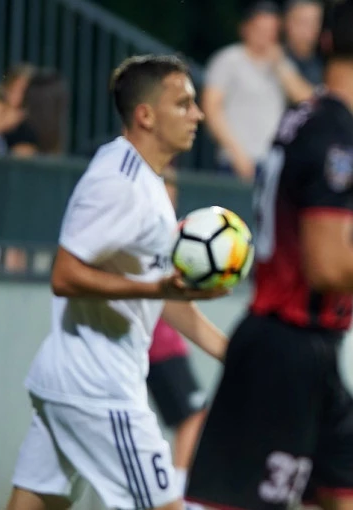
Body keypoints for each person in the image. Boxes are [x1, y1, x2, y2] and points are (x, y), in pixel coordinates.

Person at [185, 1, 353, 509]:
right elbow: (328, 264)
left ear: (326, 42)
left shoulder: (301, 118)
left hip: (312, 356)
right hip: (284, 355)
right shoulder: (335, 136)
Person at [7, 54, 230, 510]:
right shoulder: (120, 182)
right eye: (183, 104)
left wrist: (235, 354)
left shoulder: (143, 178)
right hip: (99, 387)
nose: (198, 114)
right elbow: (65, 275)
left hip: (73, 380)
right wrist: (153, 290)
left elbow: (167, 299)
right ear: (146, 115)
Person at [146, 166, 208, 510]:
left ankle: (179, 492)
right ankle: (181, 492)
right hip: (157, 346)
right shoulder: (146, 232)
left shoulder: (171, 233)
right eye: (163, 187)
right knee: (193, 416)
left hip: (164, 344)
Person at [202, 1, 313, 181]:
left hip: (273, 163)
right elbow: (211, 107)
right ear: (246, 29)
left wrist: (281, 66)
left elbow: (307, 101)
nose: (265, 35)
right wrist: (236, 153)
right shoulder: (228, 59)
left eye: (271, 30)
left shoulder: (282, 64)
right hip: (235, 161)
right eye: (260, 29)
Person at [283, 0, 325, 87]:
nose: (311, 28)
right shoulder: (273, 54)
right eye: (303, 22)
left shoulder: (324, 63)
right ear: (287, 22)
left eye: (316, 22)